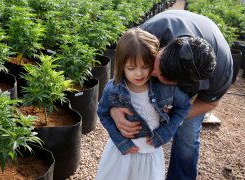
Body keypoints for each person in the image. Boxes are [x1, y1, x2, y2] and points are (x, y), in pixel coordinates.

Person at [110, 10, 233, 180]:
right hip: (171, 26)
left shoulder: (221, 73)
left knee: (187, 137)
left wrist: (174, 118)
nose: (148, 73)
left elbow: (210, 103)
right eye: (154, 64)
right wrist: (115, 108)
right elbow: (122, 69)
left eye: (157, 75)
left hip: (200, 73)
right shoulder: (151, 32)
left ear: (177, 84)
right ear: (163, 49)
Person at [96, 28, 191, 180]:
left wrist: (165, 133)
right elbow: (102, 112)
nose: (139, 74)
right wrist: (119, 140)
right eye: (131, 68)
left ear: (154, 61)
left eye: (145, 66)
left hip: (150, 153)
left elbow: (183, 106)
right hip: (121, 153)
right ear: (121, 65)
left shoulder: (166, 87)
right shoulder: (113, 88)